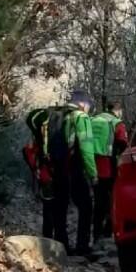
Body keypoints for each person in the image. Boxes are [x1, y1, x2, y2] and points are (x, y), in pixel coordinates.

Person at [44, 90, 96, 255]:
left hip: (56, 167)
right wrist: (93, 173)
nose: (88, 110)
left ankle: (62, 245)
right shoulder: (80, 117)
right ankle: (82, 246)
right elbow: (86, 147)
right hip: (73, 167)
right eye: (88, 106)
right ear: (83, 104)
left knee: (60, 206)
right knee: (86, 206)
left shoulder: (55, 115)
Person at [90, 100, 127, 241]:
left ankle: (96, 235)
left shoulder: (93, 120)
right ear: (118, 110)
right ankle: (108, 233)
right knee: (113, 200)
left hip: (92, 164)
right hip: (109, 165)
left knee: (98, 201)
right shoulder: (117, 123)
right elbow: (123, 144)